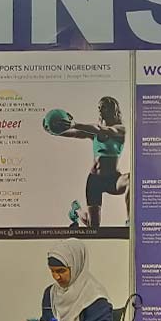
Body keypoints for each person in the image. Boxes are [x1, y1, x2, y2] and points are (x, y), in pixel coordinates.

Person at [51, 96, 129, 229]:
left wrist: (75, 124)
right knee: (94, 228)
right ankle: (77, 211)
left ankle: (130, 221)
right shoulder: (93, 133)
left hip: (113, 179)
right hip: (95, 181)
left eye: (104, 107)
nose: (100, 110)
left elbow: (102, 129)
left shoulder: (120, 130)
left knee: (131, 179)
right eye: (99, 108)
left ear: (113, 109)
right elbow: (75, 133)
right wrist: (55, 130)